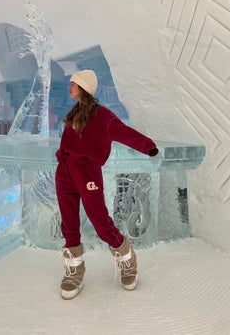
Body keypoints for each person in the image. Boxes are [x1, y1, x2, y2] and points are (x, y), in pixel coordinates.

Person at [55, 69, 159, 299]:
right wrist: (62, 159)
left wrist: (147, 146)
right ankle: (74, 270)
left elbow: (124, 133)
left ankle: (126, 257)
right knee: (69, 224)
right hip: (65, 172)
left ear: (82, 87)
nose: (69, 88)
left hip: (88, 174)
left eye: (72, 84)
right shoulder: (73, 113)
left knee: (101, 223)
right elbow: (67, 143)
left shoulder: (102, 116)